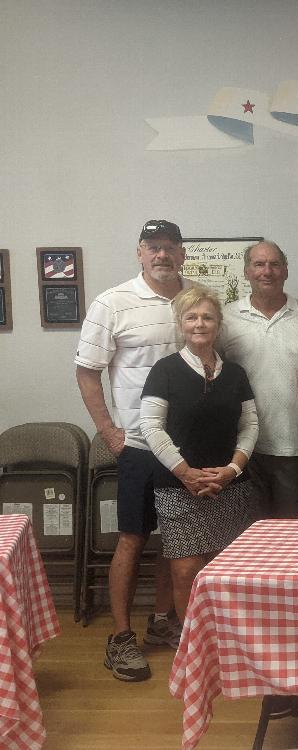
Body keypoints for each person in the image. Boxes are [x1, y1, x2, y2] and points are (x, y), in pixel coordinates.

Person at [75, 218, 190, 682]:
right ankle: (120, 638)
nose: (162, 255)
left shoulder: (195, 299)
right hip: (140, 447)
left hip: (187, 449)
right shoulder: (112, 302)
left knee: (179, 539)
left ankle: (163, 622)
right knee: (133, 537)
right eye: (153, 247)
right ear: (140, 253)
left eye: (170, 247)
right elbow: (87, 371)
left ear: (183, 253)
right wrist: (108, 430)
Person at [139, 286, 258, 620]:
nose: (199, 324)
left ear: (218, 324)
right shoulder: (164, 370)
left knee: (227, 572)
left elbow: (250, 426)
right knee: (185, 571)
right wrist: (185, 473)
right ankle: (191, 648)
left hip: (230, 488)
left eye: (207, 317)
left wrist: (232, 470)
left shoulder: (235, 374)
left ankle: (226, 642)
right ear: (181, 323)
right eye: (191, 317)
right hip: (178, 488)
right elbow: (150, 426)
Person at [218, 241, 298, 519]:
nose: (267, 271)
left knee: (293, 531)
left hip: (296, 446)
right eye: (259, 264)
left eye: (275, 264)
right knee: (247, 535)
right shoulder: (226, 319)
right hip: (242, 449)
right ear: (246, 271)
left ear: (286, 271)